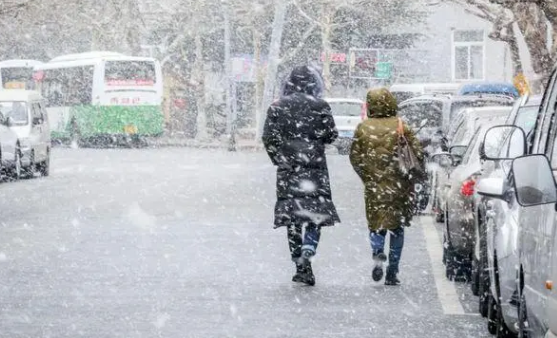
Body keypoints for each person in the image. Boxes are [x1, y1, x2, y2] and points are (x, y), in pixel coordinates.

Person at [262, 65, 340, 286]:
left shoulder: (278, 107)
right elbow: (331, 134)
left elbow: (268, 137)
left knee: (293, 217)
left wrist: (279, 157)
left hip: (288, 169)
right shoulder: (320, 106)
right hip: (315, 166)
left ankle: (300, 264)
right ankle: (309, 247)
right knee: (315, 212)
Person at [349, 88, 424, 286]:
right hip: (399, 186)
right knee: (397, 228)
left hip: (374, 186)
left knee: (376, 224)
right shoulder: (401, 126)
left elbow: (355, 158)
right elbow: (417, 154)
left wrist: (367, 176)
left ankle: (377, 252)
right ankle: (392, 271)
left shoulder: (363, 128)